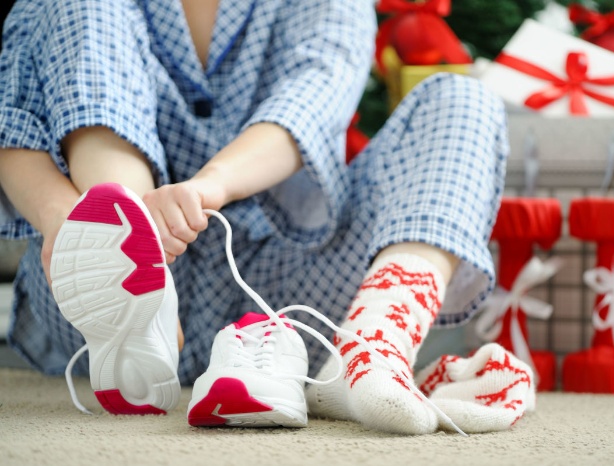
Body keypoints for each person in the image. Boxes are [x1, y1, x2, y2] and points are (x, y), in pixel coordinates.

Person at [0, 0, 534, 434]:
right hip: (86, 302)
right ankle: (117, 236)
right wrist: (65, 221)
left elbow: (313, 101)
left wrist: (208, 187)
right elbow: (12, 120)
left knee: (463, 99)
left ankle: (370, 351)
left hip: (293, 283)